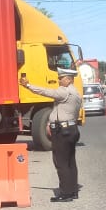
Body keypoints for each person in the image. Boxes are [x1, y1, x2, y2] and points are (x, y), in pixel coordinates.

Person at [20, 67, 83, 202]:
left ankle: (65, 193)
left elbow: (46, 92)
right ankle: (72, 191)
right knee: (70, 161)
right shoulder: (76, 93)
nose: (59, 81)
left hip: (62, 131)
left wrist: (28, 86)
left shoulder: (65, 92)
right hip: (71, 129)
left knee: (61, 162)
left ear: (69, 80)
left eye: (61, 78)